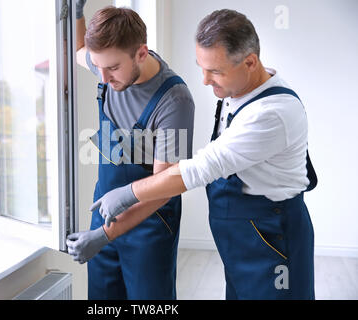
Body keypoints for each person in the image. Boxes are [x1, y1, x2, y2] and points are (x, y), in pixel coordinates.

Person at [89, 9, 318, 300]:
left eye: (215, 71)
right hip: (241, 243)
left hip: (273, 240)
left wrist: (127, 194)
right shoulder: (239, 90)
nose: (206, 80)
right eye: (202, 67)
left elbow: (199, 169)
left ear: (250, 62)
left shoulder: (270, 114)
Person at [66, 1, 195, 300]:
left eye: (112, 68)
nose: (103, 79)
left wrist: (103, 236)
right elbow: (78, 53)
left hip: (149, 224)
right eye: (97, 67)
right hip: (103, 212)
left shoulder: (174, 101)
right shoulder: (107, 66)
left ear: (141, 53)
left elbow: (164, 188)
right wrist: (76, 14)